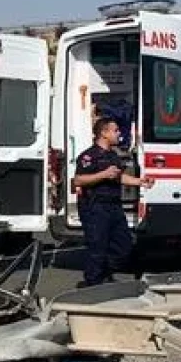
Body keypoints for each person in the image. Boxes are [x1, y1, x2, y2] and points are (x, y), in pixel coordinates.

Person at [72, 114, 143, 286]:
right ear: (104, 133)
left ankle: (105, 273)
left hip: (114, 206)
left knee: (124, 246)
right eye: (115, 130)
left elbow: (118, 177)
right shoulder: (89, 156)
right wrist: (103, 174)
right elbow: (78, 180)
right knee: (97, 248)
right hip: (95, 207)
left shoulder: (113, 155)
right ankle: (93, 283)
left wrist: (140, 182)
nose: (119, 134)